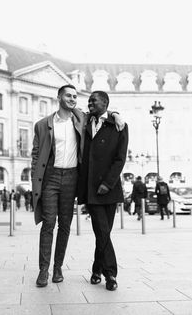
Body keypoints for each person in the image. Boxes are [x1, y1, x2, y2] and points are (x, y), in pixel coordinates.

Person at [31, 84, 124, 288]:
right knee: (48, 224)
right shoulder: (42, 124)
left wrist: (115, 114)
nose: (73, 99)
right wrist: (34, 179)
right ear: (58, 97)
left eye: (75, 96)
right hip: (51, 177)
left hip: (73, 177)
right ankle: (43, 271)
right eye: (68, 95)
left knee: (65, 225)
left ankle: (58, 268)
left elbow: (103, 113)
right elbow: (36, 155)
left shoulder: (81, 119)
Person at [78, 90, 128, 291]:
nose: (89, 103)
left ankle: (96, 269)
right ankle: (111, 274)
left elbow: (120, 158)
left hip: (109, 187)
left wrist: (108, 183)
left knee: (103, 233)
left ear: (105, 103)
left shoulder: (119, 126)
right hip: (91, 188)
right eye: (88, 100)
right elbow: (71, 108)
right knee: (102, 230)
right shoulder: (84, 122)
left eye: (94, 101)